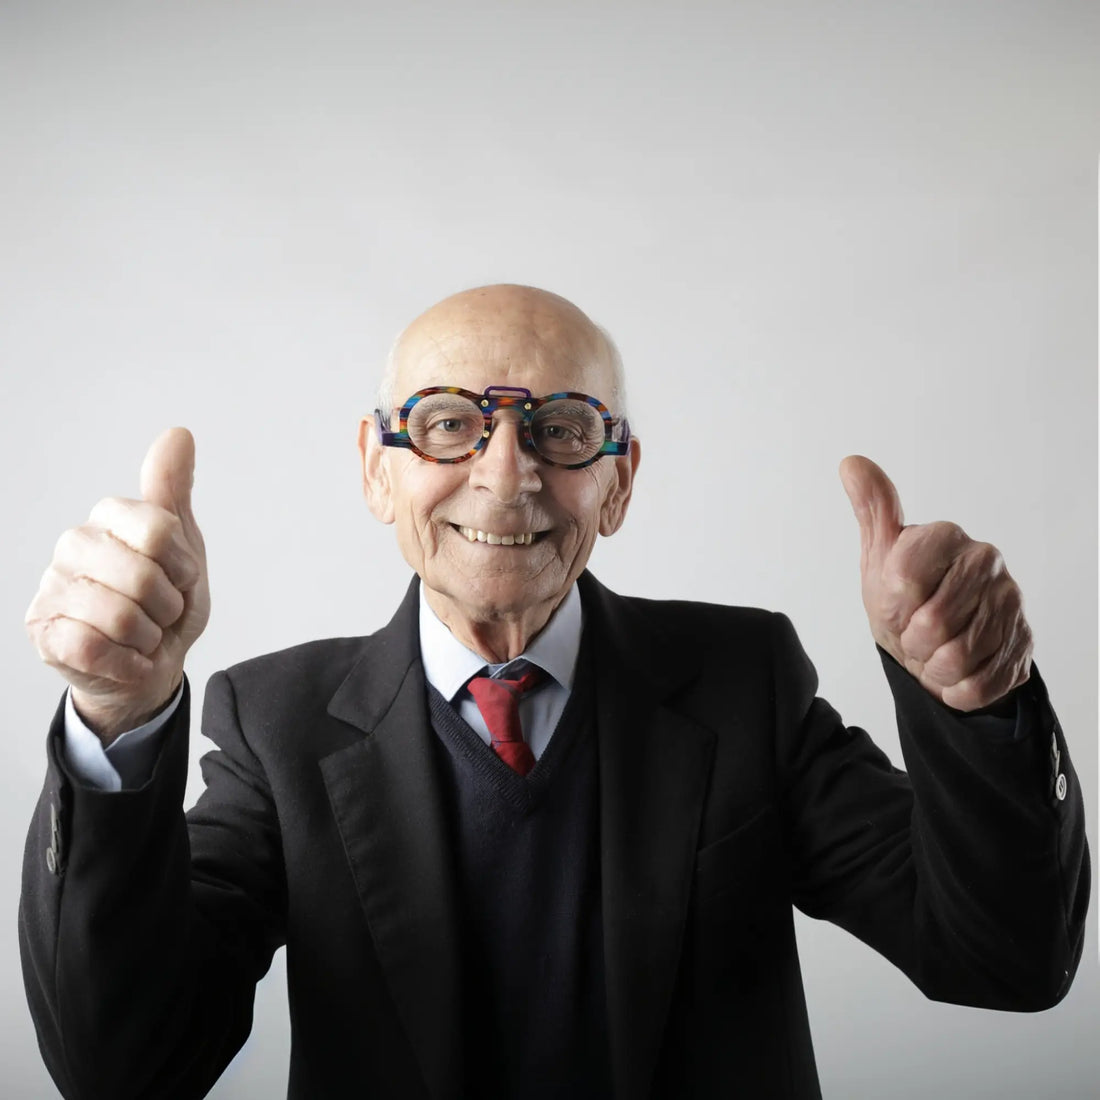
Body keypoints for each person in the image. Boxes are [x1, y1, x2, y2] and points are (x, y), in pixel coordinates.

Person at [20, 284, 1088, 1100]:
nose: (505, 470)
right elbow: (128, 1063)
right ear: (374, 467)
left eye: (562, 427)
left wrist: (978, 700)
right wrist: (117, 720)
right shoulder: (277, 720)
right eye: (446, 423)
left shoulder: (739, 682)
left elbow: (1001, 954)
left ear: (617, 480)